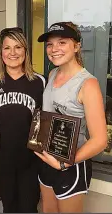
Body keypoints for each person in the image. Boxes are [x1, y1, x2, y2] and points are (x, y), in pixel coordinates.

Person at [36, 21, 107, 213]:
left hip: (71, 165)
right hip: (46, 159)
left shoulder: (87, 84)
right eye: (50, 44)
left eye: (62, 42)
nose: (54, 49)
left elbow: (101, 140)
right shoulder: (52, 74)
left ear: (76, 46)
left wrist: (65, 162)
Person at [0, 27, 45, 213]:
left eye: (18, 47)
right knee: (9, 207)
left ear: (25, 51)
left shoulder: (39, 82)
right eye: (7, 48)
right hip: (1, 161)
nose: (12, 53)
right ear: (1, 52)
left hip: (30, 162)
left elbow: (46, 123)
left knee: (29, 208)